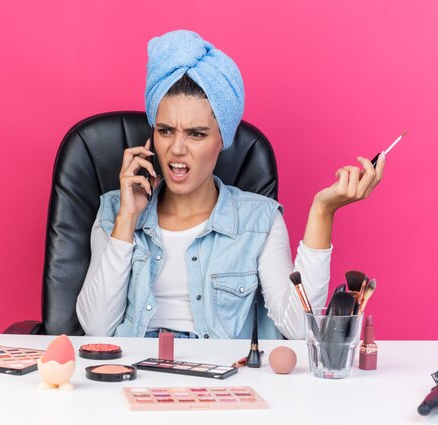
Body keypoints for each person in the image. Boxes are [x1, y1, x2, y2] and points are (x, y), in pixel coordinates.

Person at [76, 30, 385, 339]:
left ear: (223, 139)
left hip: (221, 377)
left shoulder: (259, 220)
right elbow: (96, 327)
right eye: (166, 130)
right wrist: (127, 220)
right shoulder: (115, 211)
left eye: (196, 134)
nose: (177, 148)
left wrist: (323, 211)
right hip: (131, 375)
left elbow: (298, 330)